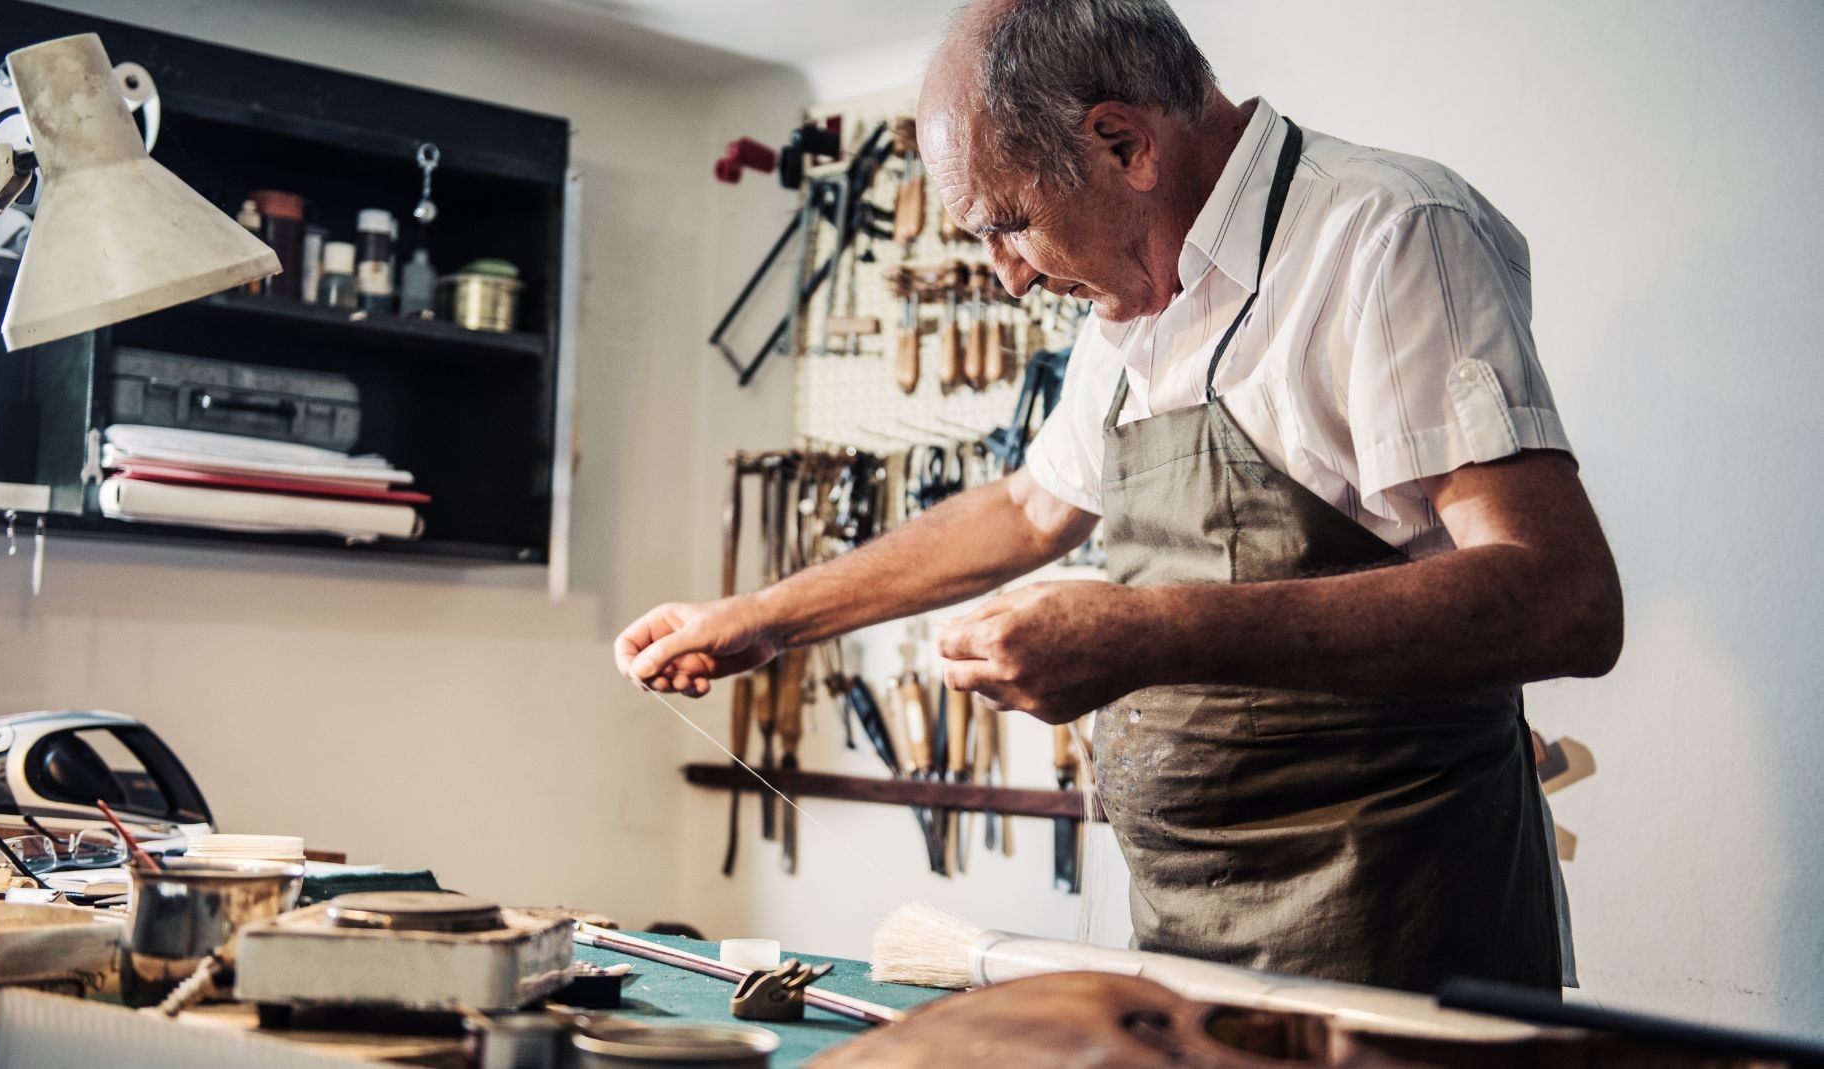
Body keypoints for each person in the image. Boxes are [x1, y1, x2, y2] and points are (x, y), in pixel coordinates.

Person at [618, 0, 1621, 994]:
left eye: (1009, 225)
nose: (1006, 278)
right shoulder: (1136, 299)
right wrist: (759, 619)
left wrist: (1144, 633)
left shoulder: (1387, 231)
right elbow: (1030, 509)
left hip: (1391, 925)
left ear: (1122, 143)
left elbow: (1560, 597)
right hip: (1188, 925)